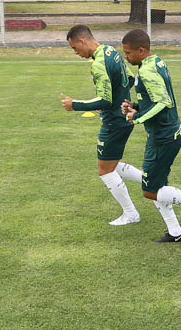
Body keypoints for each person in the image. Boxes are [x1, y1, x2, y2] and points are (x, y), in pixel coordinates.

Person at [117, 29, 181, 242]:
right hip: (167, 133)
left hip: (163, 137)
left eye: (128, 53)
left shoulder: (146, 71)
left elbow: (164, 102)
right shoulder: (156, 62)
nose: (126, 57)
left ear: (142, 50)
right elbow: (155, 98)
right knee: (158, 186)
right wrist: (135, 106)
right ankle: (176, 232)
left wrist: (137, 118)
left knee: (149, 191)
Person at [59, 25, 143, 226]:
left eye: (74, 48)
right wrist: (116, 100)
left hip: (114, 122)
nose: (76, 53)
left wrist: (75, 105)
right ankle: (154, 181)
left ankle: (131, 213)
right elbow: (128, 79)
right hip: (123, 117)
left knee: (105, 170)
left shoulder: (98, 63)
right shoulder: (110, 51)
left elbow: (105, 100)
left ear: (82, 41)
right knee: (111, 165)